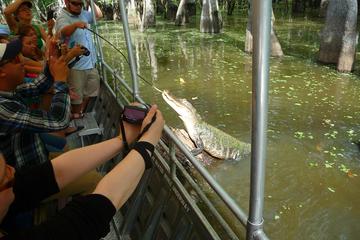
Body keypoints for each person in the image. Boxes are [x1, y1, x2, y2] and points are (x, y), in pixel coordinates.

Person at [0, 104, 165, 239]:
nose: (14, 172)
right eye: (6, 180)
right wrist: (148, 143)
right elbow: (88, 217)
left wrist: (121, 140)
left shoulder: (12, 189)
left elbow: (47, 176)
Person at [0, 38, 84, 169]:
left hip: (38, 154)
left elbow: (37, 86)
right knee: (93, 180)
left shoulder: (8, 91)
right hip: (31, 175)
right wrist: (61, 80)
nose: (22, 62)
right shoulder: (2, 109)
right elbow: (58, 121)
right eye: (16, 60)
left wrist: (52, 63)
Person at [55, 0, 103, 119]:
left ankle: (80, 113)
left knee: (90, 93)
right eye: (74, 3)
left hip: (91, 64)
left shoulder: (83, 13)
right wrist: (75, 25)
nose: (78, 6)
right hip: (76, 67)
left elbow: (99, 15)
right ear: (67, 2)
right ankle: (76, 116)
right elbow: (63, 32)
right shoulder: (63, 17)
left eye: (80, 4)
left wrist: (89, 1)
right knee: (76, 98)